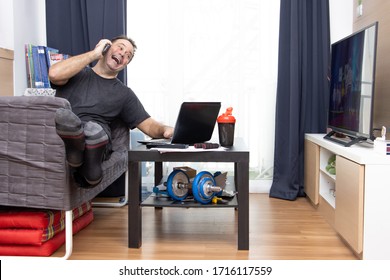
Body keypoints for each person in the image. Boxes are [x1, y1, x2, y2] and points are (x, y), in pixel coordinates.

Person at [48, 35, 173, 188]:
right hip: (64, 132)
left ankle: (81, 155)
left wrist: (166, 130)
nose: (123, 54)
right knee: (68, 120)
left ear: (125, 64)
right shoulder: (76, 73)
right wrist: (95, 53)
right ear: (106, 47)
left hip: (98, 138)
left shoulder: (124, 94)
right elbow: (54, 74)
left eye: (128, 56)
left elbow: (148, 126)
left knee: (93, 131)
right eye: (120, 47)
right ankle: (85, 165)